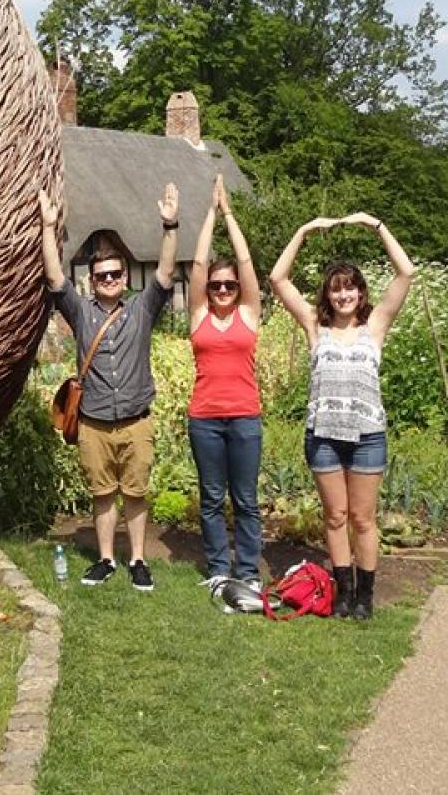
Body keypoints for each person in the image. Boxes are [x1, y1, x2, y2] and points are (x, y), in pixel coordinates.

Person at [268, 213, 414, 619]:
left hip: (367, 436)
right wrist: (301, 231)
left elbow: (406, 273)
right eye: (336, 290)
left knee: (362, 519)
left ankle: (365, 596)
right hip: (324, 436)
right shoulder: (316, 327)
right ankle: (343, 592)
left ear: (361, 293)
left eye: (350, 288)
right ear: (328, 296)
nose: (343, 296)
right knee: (334, 517)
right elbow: (278, 279)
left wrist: (377, 225)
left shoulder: (375, 326)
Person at [40, 182, 179, 592]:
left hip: (136, 421)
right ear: (93, 280)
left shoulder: (141, 309)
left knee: (134, 494)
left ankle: (137, 560)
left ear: (125, 276)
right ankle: (105, 560)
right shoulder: (81, 313)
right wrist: (49, 227)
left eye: (117, 274)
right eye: (103, 276)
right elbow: (53, 275)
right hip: (95, 423)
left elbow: (168, 272)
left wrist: (170, 226)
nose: (111, 280)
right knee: (102, 494)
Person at [186, 175, 264, 590]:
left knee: (246, 501)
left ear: (238, 289)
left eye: (228, 285)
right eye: (216, 285)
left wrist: (230, 213)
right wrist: (209, 214)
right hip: (205, 420)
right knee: (212, 500)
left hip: (245, 419)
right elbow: (198, 265)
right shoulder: (198, 315)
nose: (220, 289)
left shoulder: (248, 313)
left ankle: (248, 572)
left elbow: (247, 262)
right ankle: (219, 569)